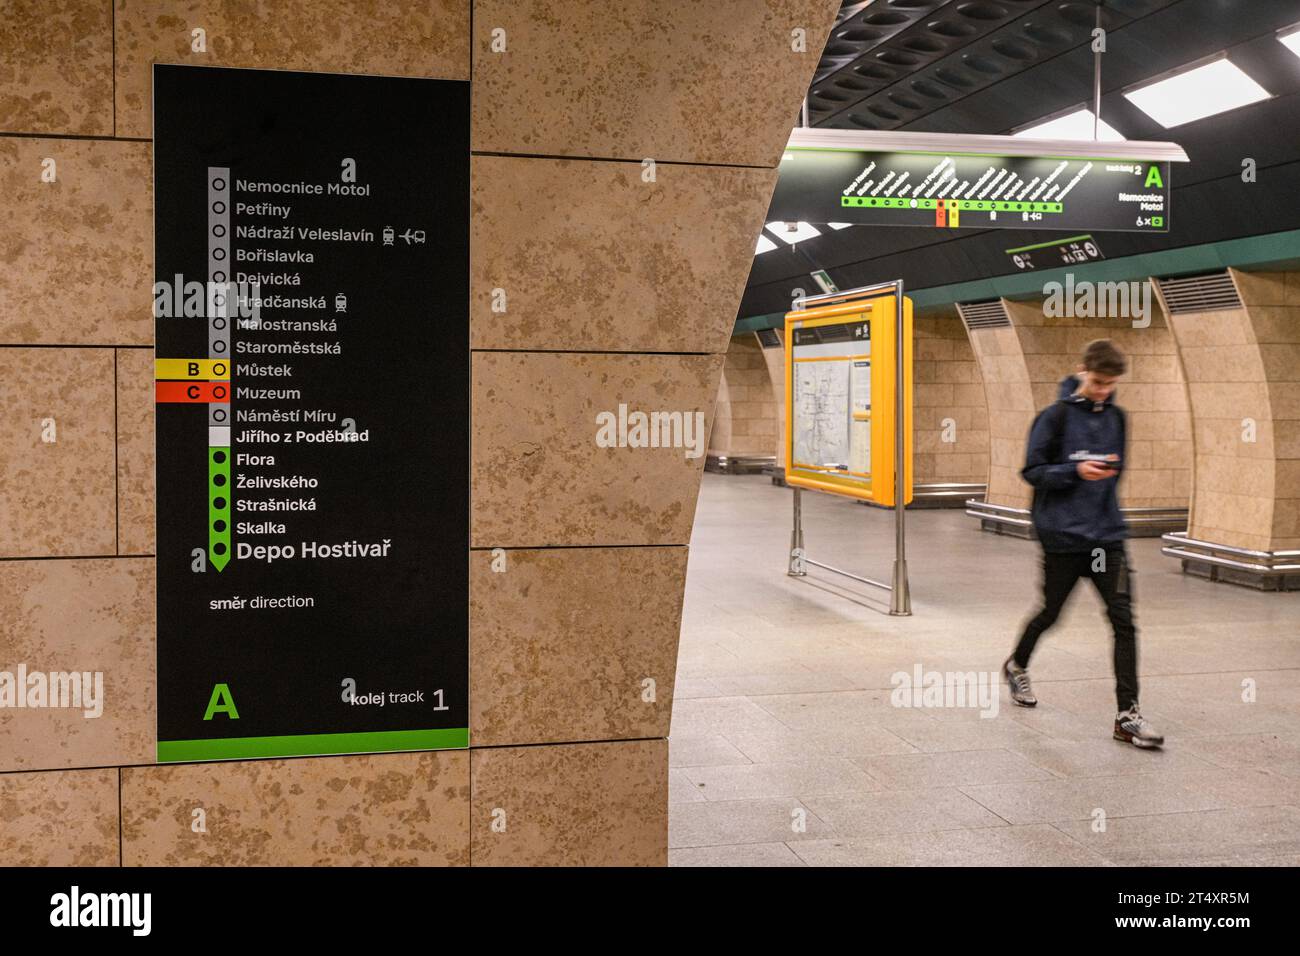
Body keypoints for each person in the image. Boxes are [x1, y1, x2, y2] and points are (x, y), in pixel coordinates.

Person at [1002, 338, 1164, 749]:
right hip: (1062, 538)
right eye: (1097, 382)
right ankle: (1017, 664)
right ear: (1082, 371)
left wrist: (1100, 476)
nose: (1103, 390)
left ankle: (1127, 715)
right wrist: (1075, 471)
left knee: (1123, 621)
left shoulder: (1118, 418)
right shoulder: (1053, 417)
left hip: (1106, 538)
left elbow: (1118, 466)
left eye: (1110, 384)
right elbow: (1032, 471)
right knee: (1052, 613)